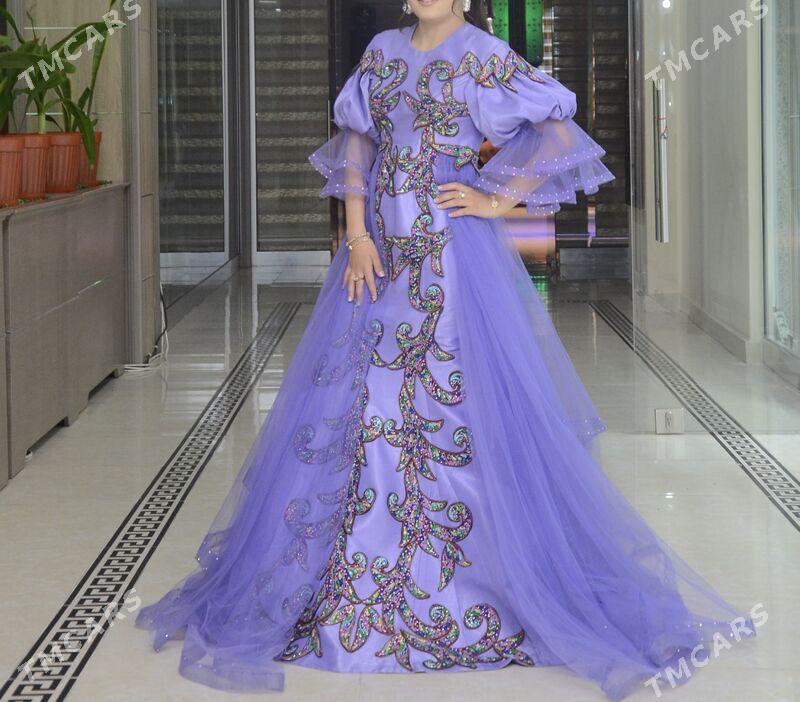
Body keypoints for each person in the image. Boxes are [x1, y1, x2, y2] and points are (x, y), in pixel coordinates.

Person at [137, 2, 755, 699]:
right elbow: (358, 144)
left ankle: (468, 582)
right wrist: (357, 235)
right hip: (379, 258)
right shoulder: (381, 50)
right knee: (364, 403)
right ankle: (358, 580)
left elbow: (557, 131)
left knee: (449, 405)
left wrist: (497, 200)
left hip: (452, 263)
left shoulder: (484, 55)